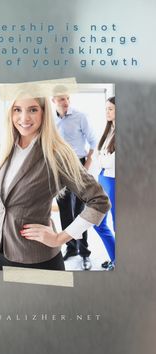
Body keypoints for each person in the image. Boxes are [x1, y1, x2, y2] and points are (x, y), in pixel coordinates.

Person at [0, 92, 110, 271]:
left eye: (32, 110)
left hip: (39, 261)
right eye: (17, 109)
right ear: (10, 113)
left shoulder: (57, 154)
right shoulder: (0, 151)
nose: (24, 118)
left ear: (43, 112)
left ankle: (81, 252)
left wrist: (61, 237)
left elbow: (99, 201)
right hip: (1, 258)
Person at [52, 90, 96, 270]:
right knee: (64, 210)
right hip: (59, 166)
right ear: (53, 100)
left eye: (68, 98)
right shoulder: (50, 120)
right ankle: (71, 248)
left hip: (78, 165)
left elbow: (93, 143)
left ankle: (84, 252)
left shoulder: (80, 116)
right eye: (62, 98)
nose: (66, 101)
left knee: (80, 211)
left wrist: (85, 168)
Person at [93, 96, 116, 271]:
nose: (107, 112)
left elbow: (110, 162)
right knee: (97, 223)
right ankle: (116, 258)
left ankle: (118, 262)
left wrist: (103, 160)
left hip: (114, 181)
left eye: (110, 109)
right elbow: (101, 159)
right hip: (103, 178)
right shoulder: (109, 130)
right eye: (106, 109)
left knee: (118, 224)